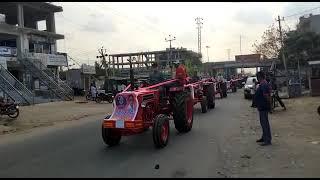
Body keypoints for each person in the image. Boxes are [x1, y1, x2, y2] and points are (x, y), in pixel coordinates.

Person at [254, 71, 272, 146]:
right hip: (262, 107)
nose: (257, 79)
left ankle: (267, 140)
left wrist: (269, 105)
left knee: (265, 123)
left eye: (257, 77)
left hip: (264, 107)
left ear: (259, 77)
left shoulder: (264, 84)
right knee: (263, 123)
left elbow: (267, 96)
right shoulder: (262, 83)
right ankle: (264, 137)